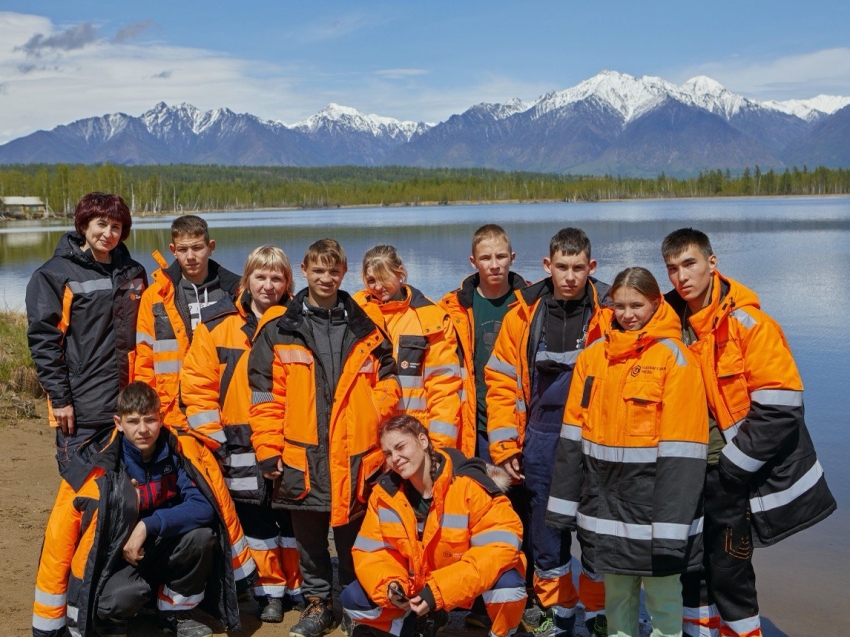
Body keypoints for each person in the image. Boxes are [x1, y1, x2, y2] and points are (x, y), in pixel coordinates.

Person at [661, 229, 836, 637]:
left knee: (729, 570)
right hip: (684, 469)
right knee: (690, 566)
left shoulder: (750, 324)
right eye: (672, 268)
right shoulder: (665, 322)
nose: (681, 277)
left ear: (712, 263)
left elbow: (782, 407)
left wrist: (733, 466)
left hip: (727, 470)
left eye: (689, 264)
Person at [248, 238, 401, 637]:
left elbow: (389, 381)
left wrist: (374, 414)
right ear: (304, 271)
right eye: (318, 270)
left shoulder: (366, 326)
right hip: (303, 454)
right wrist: (267, 448)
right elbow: (264, 395)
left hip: (357, 452)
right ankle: (318, 605)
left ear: (343, 273)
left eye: (333, 271)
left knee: (356, 537)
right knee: (310, 539)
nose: (326, 278)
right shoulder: (280, 328)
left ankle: (354, 602)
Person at [546, 267, 708, 637]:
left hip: (655, 507)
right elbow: (572, 438)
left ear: (656, 303)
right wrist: (564, 505)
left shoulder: (675, 359)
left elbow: (684, 452)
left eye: (636, 305)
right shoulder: (592, 358)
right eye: (619, 306)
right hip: (605, 508)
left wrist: (672, 525)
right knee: (617, 595)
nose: (627, 314)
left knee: (664, 597)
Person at [32, 382, 246, 637]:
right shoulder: (99, 465)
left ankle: (173, 613)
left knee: (201, 538)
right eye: (133, 421)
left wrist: (147, 525)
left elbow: (203, 507)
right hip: (117, 559)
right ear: (119, 423)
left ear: (161, 418)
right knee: (118, 600)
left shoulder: (178, 451)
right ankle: (115, 618)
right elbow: (60, 540)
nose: (143, 429)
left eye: (150, 420)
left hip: (159, 544)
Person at [485, 228, 608, 636]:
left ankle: (599, 613)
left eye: (578, 268)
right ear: (547, 266)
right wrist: (505, 446)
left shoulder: (610, 311)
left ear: (591, 266)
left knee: (597, 534)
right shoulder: (522, 314)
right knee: (546, 536)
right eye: (562, 267)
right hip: (540, 440)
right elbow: (500, 383)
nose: (570, 276)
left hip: (594, 442)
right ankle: (559, 612)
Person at [181, 245, 304, 623]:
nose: (268, 285)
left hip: (289, 438)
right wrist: (214, 441)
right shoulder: (216, 325)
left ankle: (297, 588)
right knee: (255, 518)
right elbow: (198, 388)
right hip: (236, 441)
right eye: (260, 277)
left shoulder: (301, 323)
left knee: (293, 517)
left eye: (276, 278)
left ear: (287, 283)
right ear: (247, 280)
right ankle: (269, 592)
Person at [341, 414, 527, 637]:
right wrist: (391, 585)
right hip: (417, 587)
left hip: (468, 587)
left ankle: (503, 633)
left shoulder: (469, 484)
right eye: (388, 454)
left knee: (509, 587)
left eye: (400, 447)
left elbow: (500, 548)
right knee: (353, 600)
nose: (395, 458)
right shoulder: (384, 495)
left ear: (423, 441)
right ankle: (411, 626)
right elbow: (372, 554)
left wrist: (438, 591)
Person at [26, 192, 147, 477]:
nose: (108, 233)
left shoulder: (134, 272)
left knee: (129, 489)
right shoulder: (53, 275)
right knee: (85, 487)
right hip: (83, 407)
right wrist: (60, 400)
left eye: (116, 227)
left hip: (129, 404)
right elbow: (44, 342)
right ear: (83, 225)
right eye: (101, 224)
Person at [135, 214, 240, 429]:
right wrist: (146, 409)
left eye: (197, 248)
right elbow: (144, 358)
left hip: (225, 403)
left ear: (211, 247)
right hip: (172, 409)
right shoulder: (155, 296)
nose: (190, 256)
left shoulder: (235, 293)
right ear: (173, 250)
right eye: (183, 250)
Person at [354, 244, 462, 450]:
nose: (378, 286)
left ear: (400, 273)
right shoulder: (354, 313)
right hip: (367, 434)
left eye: (385, 278)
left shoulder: (430, 318)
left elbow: (444, 386)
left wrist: (440, 448)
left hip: (413, 434)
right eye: (371, 280)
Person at [440, 224, 527, 458]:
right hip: (474, 421)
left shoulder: (531, 303)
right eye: (486, 258)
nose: (494, 265)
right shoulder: (452, 307)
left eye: (501, 256)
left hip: (519, 419)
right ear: (473, 262)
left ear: (512, 258)